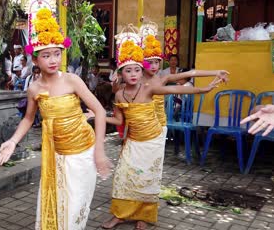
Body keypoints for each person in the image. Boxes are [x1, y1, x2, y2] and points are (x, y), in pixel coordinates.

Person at [0, 7, 111, 229]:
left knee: (75, 208)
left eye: (57, 54)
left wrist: (99, 150)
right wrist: (12, 141)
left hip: (83, 151)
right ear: (35, 60)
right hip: (57, 155)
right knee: (58, 206)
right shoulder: (34, 88)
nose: (52, 60)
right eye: (46, 55)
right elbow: (29, 119)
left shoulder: (72, 80)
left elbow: (98, 111)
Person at [91, 39, 222, 230]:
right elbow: (119, 121)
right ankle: (119, 215)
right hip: (133, 140)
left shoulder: (149, 88)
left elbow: (176, 88)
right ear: (120, 73)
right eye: (128, 70)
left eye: (136, 70)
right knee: (123, 176)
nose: (134, 74)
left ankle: (142, 216)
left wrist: (204, 88)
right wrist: (97, 114)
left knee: (147, 178)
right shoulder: (119, 95)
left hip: (153, 138)